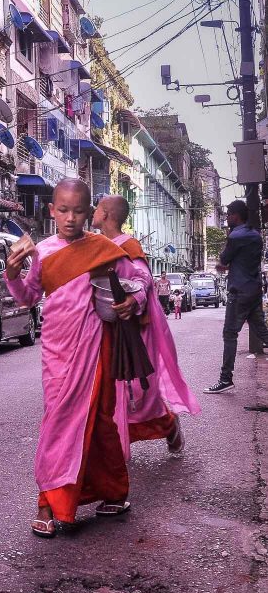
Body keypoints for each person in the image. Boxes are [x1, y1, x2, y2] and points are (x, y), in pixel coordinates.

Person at [5, 179, 147, 538]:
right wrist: (11, 273)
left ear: (90, 213)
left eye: (79, 211)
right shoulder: (43, 251)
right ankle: (50, 500)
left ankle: (109, 492)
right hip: (56, 350)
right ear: (52, 210)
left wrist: (135, 299)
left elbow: (141, 279)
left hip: (95, 347)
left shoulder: (101, 248)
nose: (70, 218)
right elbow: (27, 297)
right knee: (57, 420)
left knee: (99, 420)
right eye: (63, 210)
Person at [91, 195, 198, 455]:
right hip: (103, 328)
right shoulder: (95, 244)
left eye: (97, 208)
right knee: (106, 391)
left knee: (139, 392)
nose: (92, 212)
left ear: (106, 214)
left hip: (131, 327)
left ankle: (169, 425)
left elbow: (142, 278)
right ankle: (113, 454)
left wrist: (132, 298)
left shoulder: (128, 245)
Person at [206, 200, 268, 393]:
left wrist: (223, 264)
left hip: (239, 292)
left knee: (230, 334)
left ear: (236, 215)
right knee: (263, 331)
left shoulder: (235, 235)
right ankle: (225, 378)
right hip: (254, 290)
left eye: (229, 214)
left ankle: (226, 379)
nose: (227, 217)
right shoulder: (256, 235)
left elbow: (223, 262)